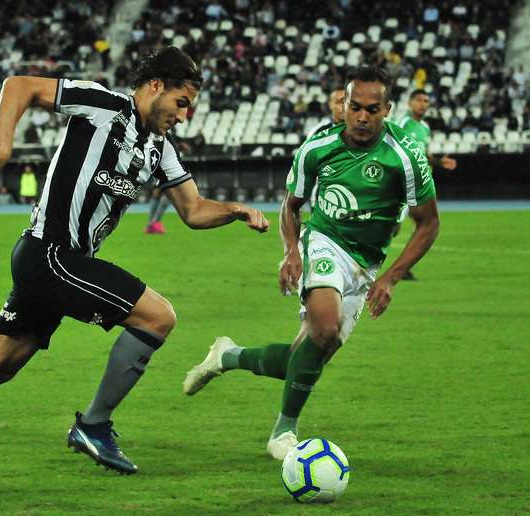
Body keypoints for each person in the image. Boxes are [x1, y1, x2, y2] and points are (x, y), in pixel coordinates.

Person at [0, 46, 269, 480]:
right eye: (181, 102)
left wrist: (235, 210)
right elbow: (19, 86)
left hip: (54, 263)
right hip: (49, 254)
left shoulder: (159, 148)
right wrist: (2, 147)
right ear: (156, 86)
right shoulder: (103, 105)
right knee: (158, 317)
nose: (184, 114)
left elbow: (193, 211)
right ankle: (94, 425)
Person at [182, 65, 440, 461]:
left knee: (309, 353)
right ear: (345, 104)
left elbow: (428, 224)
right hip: (324, 240)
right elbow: (291, 204)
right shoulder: (318, 147)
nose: (362, 116)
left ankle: (227, 356)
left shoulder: (405, 156)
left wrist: (389, 278)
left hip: (367, 263)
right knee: (324, 327)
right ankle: (283, 433)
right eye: (355, 106)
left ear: (387, 110)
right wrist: (291, 250)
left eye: (373, 109)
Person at [395, 89, 456, 280]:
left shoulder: (425, 127)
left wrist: (438, 162)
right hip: (404, 181)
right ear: (410, 103)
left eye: (426, 100)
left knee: (425, 224)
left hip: (422, 181)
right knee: (393, 228)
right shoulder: (403, 123)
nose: (423, 104)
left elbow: (422, 153)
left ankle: (403, 268)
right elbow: (394, 148)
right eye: (419, 100)